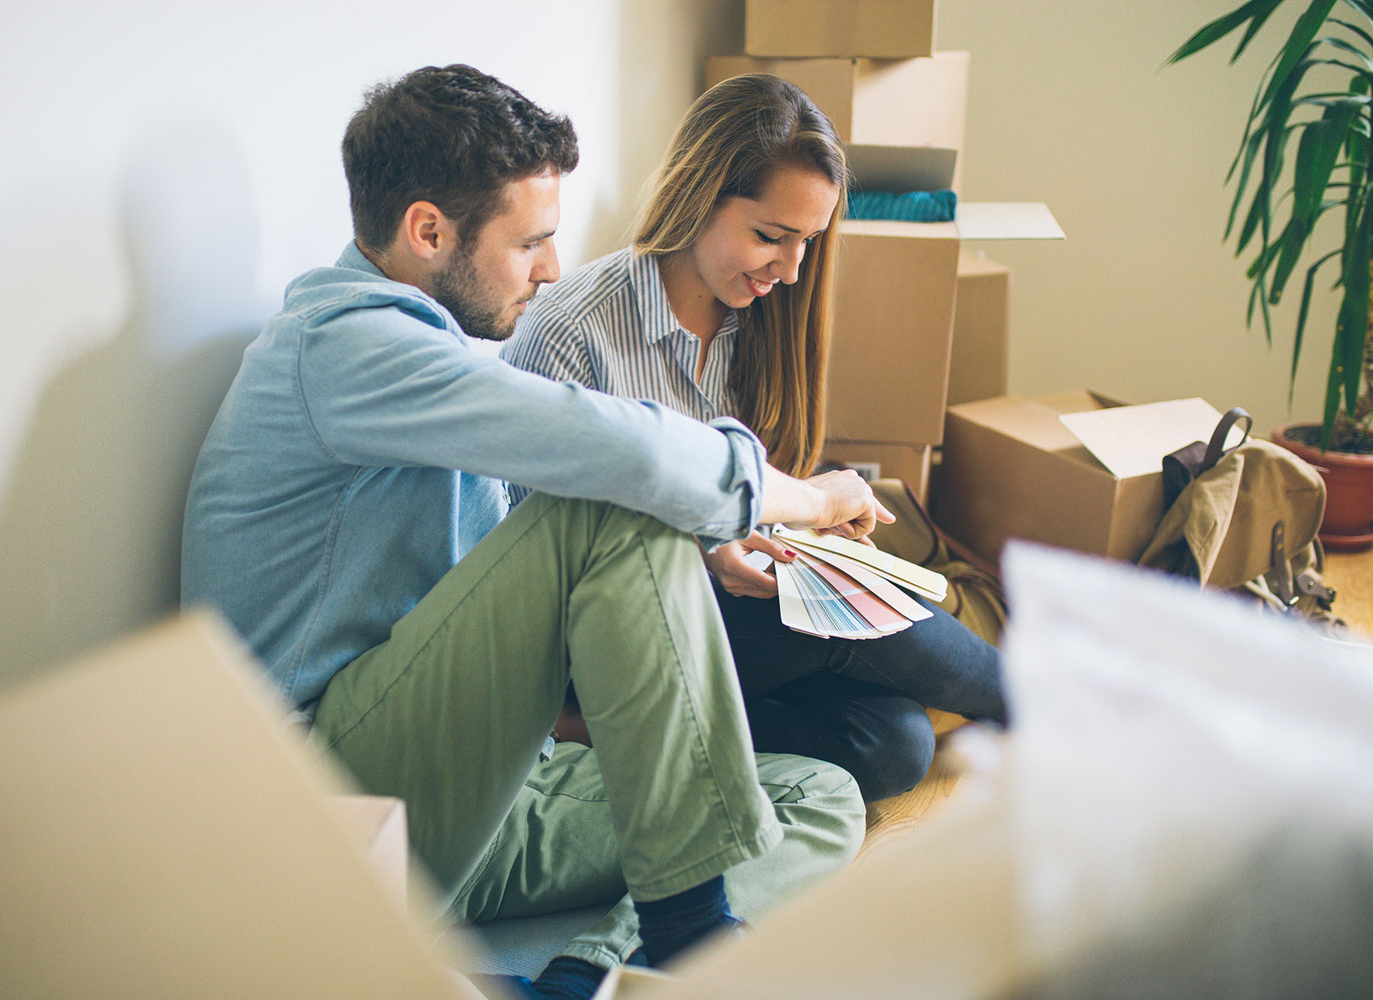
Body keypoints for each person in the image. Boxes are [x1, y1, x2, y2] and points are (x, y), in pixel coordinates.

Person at [181, 65, 881, 1000]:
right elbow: (612, 450)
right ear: (429, 231)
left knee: (815, 796)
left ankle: (586, 980)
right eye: (533, 243)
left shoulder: (431, 355)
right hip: (339, 806)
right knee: (612, 496)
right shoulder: (344, 347)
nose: (553, 270)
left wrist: (700, 561)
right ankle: (683, 945)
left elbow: (514, 571)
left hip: (482, 796)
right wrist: (810, 498)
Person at [502, 73, 1008, 804]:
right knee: (853, 627)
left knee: (895, 742)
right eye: (770, 237)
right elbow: (544, 555)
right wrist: (707, 547)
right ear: (698, 197)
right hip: (606, 633)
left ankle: (604, 733)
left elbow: (757, 499)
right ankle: (1057, 703)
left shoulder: (761, 324)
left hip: (726, 617)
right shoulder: (575, 335)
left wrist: (802, 543)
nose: (793, 269)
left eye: (807, 242)